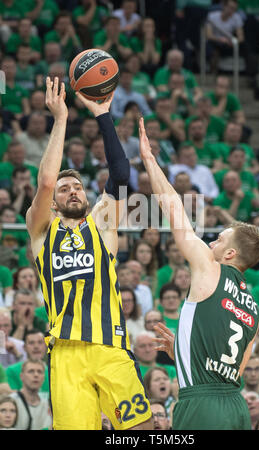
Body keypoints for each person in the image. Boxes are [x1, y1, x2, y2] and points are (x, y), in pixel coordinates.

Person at [25, 77, 152, 430]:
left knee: (141, 429)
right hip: (65, 353)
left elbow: (121, 175)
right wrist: (61, 119)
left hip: (110, 348)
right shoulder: (41, 232)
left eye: (78, 185)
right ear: (53, 202)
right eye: (65, 189)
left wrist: (103, 115)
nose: (73, 191)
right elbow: (46, 182)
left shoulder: (102, 224)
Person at [139, 116, 259, 430]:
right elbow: (234, 371)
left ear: (231, 254)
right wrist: (185, 351)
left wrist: (149, 160)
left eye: (219, 239)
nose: (211, 241)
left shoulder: (209, 268)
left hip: (202, 404)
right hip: (235, 407)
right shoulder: (254, 309)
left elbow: (174, 210)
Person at [10, 359, 52, 430]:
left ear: (44, 378)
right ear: (21, 376)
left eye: (40, 372)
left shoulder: (48, 405)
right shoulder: (11, 402)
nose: (36, 375)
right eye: (31, 371)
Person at [5, 329, 49, 398]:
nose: (36, 346)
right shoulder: (11, 371)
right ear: (24, 347)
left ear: (46, 345)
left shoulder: (53, 372)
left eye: (40, 342)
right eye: (31, 343)